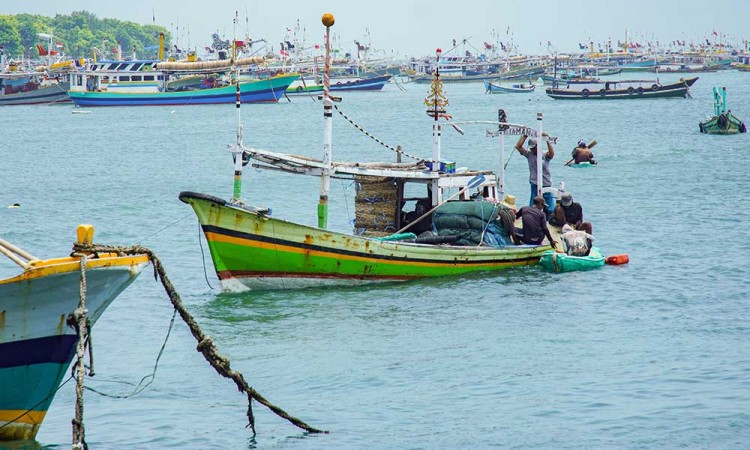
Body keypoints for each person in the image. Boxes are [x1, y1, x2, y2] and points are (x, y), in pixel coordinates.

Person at [515, 134, 555, 218]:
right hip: (534, 183)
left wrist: (547, 140)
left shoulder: (544, 155)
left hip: (546, 183)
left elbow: (551, 153)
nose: (533, 149)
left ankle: (548, 221)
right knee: (532, 206)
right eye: (531, 148)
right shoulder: (529, 154)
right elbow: (518, 146)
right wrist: (525, 135)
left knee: (550, 208)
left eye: (534, 147)